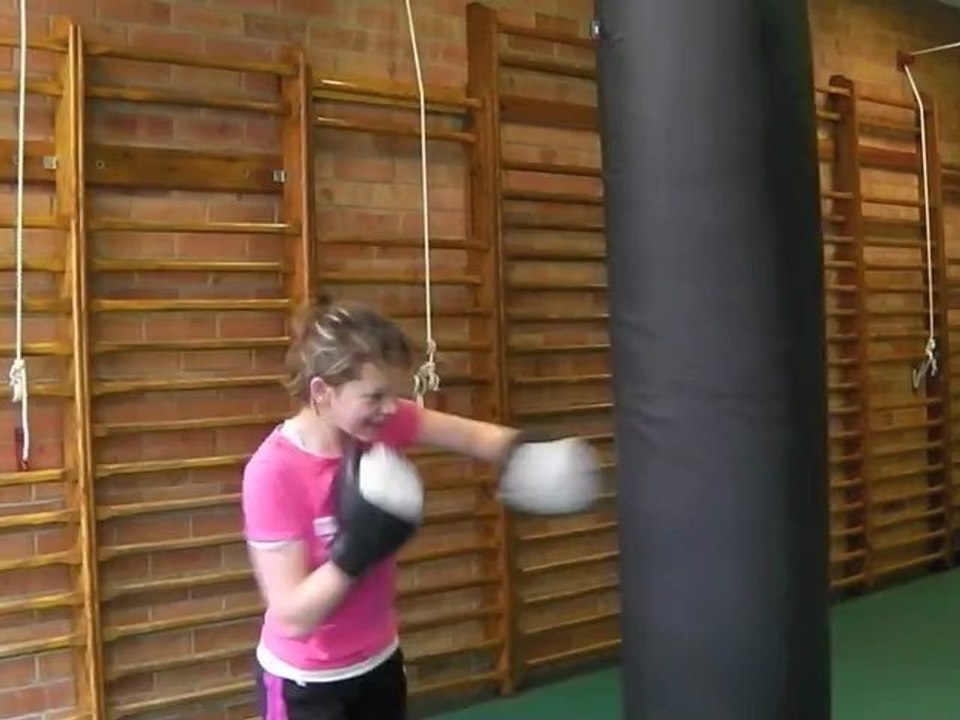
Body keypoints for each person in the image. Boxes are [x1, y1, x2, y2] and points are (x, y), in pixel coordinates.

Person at [243, 296, 599, 720]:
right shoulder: (273, 473)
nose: (390, 409)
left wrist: (528, 451)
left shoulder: (377, 422)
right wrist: (358, 551)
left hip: (379, 662)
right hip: (306, 686)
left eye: (393, 394)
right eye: (374, 396)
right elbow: (293, 617)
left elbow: (477, 439)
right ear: (322, 392)